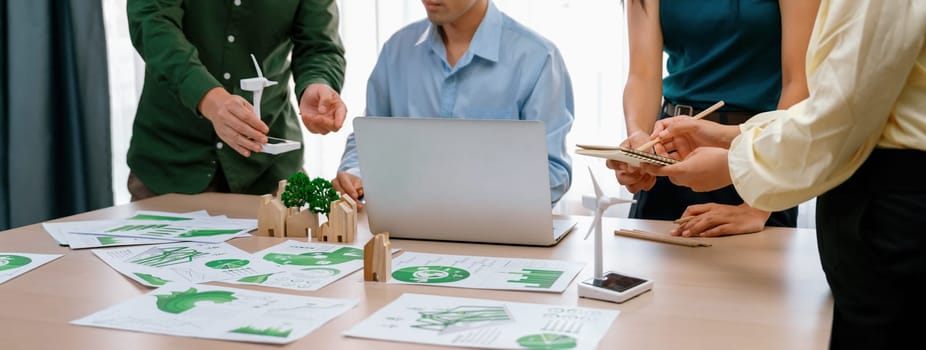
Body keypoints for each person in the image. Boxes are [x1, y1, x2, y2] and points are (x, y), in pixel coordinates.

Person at [643, 1, 926, 347]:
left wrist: (734, 162)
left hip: (891, 202)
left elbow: (840, 114)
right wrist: (732, 137)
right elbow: (838, 102)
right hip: (876, 190)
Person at [324, 0, 574, 207]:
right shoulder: (397, 50)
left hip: (499, 238)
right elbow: (369, 139)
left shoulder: (537, 57)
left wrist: (467, 194)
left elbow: (552, 173)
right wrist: (357, 173)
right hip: (405, 235)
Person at [610, 0, 818, 237]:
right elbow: (642, 74)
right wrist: (639, 139)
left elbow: (800, 82)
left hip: (758, 155)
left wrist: (757, 208)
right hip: (669, 151)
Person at [125, 1, 346, 200]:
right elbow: (153, 23)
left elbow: (320, 45)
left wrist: (317, 82)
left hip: (269, 169)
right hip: (169, 162)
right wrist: (207, 97)